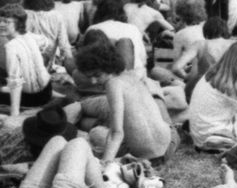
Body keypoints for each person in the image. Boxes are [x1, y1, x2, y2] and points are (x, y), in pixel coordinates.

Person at [71, 34, 174, 164]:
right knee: (92, 125)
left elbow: (116, 133)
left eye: (97, 75)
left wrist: (105, 164)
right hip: (170, 144)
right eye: (89, 76)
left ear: (108, 67)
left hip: (148, 156)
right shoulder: (132, 75)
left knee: (95, 133)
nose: (93, 81)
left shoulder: (112, 84)